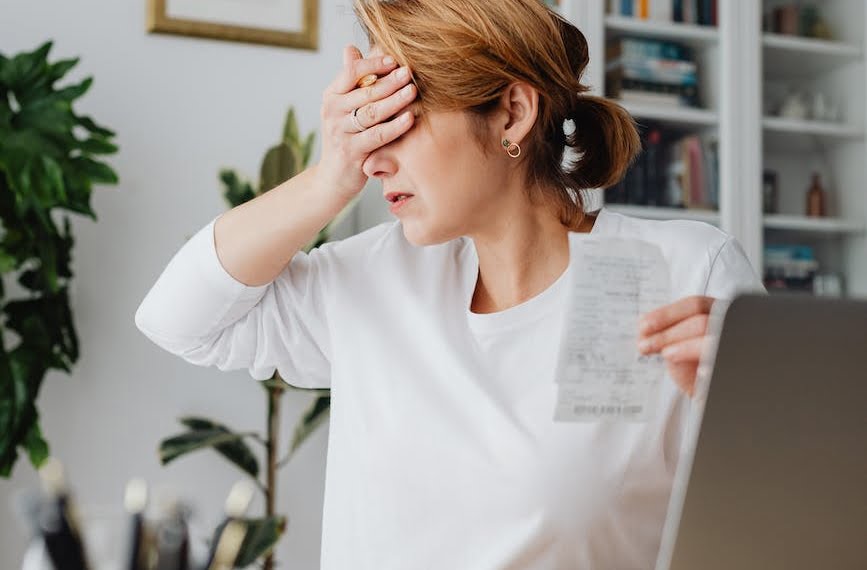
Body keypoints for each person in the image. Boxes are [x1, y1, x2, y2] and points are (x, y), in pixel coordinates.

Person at [135, 0, 763, 567]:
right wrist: (329, 179)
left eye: (398, 118)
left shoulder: (679, 272)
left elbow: (787, 526)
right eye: (365, 122)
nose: (373, 156)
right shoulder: (375, 280)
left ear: (512, 113)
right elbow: (176, 320)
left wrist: (754, 413)